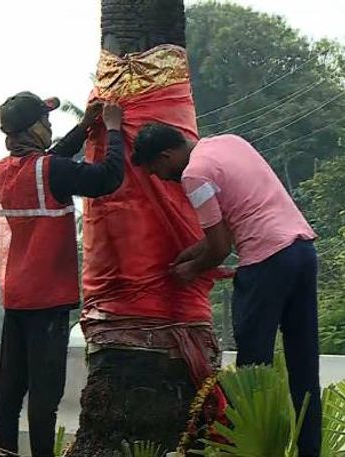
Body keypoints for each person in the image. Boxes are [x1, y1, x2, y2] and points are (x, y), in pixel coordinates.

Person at [132, 123, 320, 457]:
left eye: (157, 171)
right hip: (302, 251)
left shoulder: (194, 175)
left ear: (166, 155)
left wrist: (188, 271)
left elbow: (219, 249)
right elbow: (234, 220)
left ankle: (246, 450)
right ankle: (310, 451)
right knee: (304, 367)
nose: (161, 178)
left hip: (266, 261)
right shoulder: (229, 143)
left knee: (252, 373)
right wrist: (194, 251)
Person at [0, 91, 124, 457]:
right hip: (48, 299)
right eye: (46, 121)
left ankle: (4, 451)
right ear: (32, 129)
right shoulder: (51, 171)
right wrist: (113, 131)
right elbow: (109, 178)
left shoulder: (4, 171)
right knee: (45, 394)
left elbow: (52, 162)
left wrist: (84, 128)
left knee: (10, 391)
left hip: (16, 296)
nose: (50, 126)